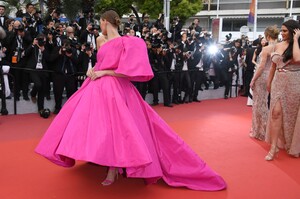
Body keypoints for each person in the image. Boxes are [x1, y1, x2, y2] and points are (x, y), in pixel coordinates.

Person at [35, 10, 226, 191]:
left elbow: (126, 71)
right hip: (96, 86)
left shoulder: (129, 42)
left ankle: (114, 167)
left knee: (118, 129)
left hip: (117, 88)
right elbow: (99, 62)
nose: (99, 26)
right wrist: (91, 70)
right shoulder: (100, 40)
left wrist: (103, 72)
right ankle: (99, 156)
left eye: (100, 22)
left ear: (105, 21)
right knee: (91, 124)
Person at [265, 20, 300, 160]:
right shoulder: (277, 45)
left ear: (294, 31)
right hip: (278, 82)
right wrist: (269, 82)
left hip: (295, 82)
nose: (282, 33)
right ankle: (274, 147)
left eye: (285, 31)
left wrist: (296, 40)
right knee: (276, 113)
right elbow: (273, 66)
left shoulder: (297, 46)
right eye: (282, 30)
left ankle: (293, 145)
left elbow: (297, 59)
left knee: (292, 116)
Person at [249, 27, 279, 141]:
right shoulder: (279, 47)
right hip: (273, 76)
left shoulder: (266, 48)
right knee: (266, 103)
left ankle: (260, 131)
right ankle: (266, 130)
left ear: (267, 36)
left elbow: (261, 67)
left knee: (258, 104)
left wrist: (253, 80)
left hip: (262, 77)